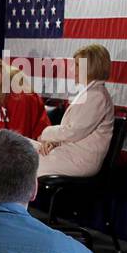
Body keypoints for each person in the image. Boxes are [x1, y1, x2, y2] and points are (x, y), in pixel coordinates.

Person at [36, 44, 115, 178]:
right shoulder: (89, 92)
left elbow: (74, 131)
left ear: (91, 66)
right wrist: (52, 143)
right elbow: (71, 130)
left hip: (79, 160)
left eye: (77, 65)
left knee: (25, 161)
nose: (73, 69)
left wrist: (45, 134)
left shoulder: (97, 96)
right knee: (20, 147)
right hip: (67, 152)